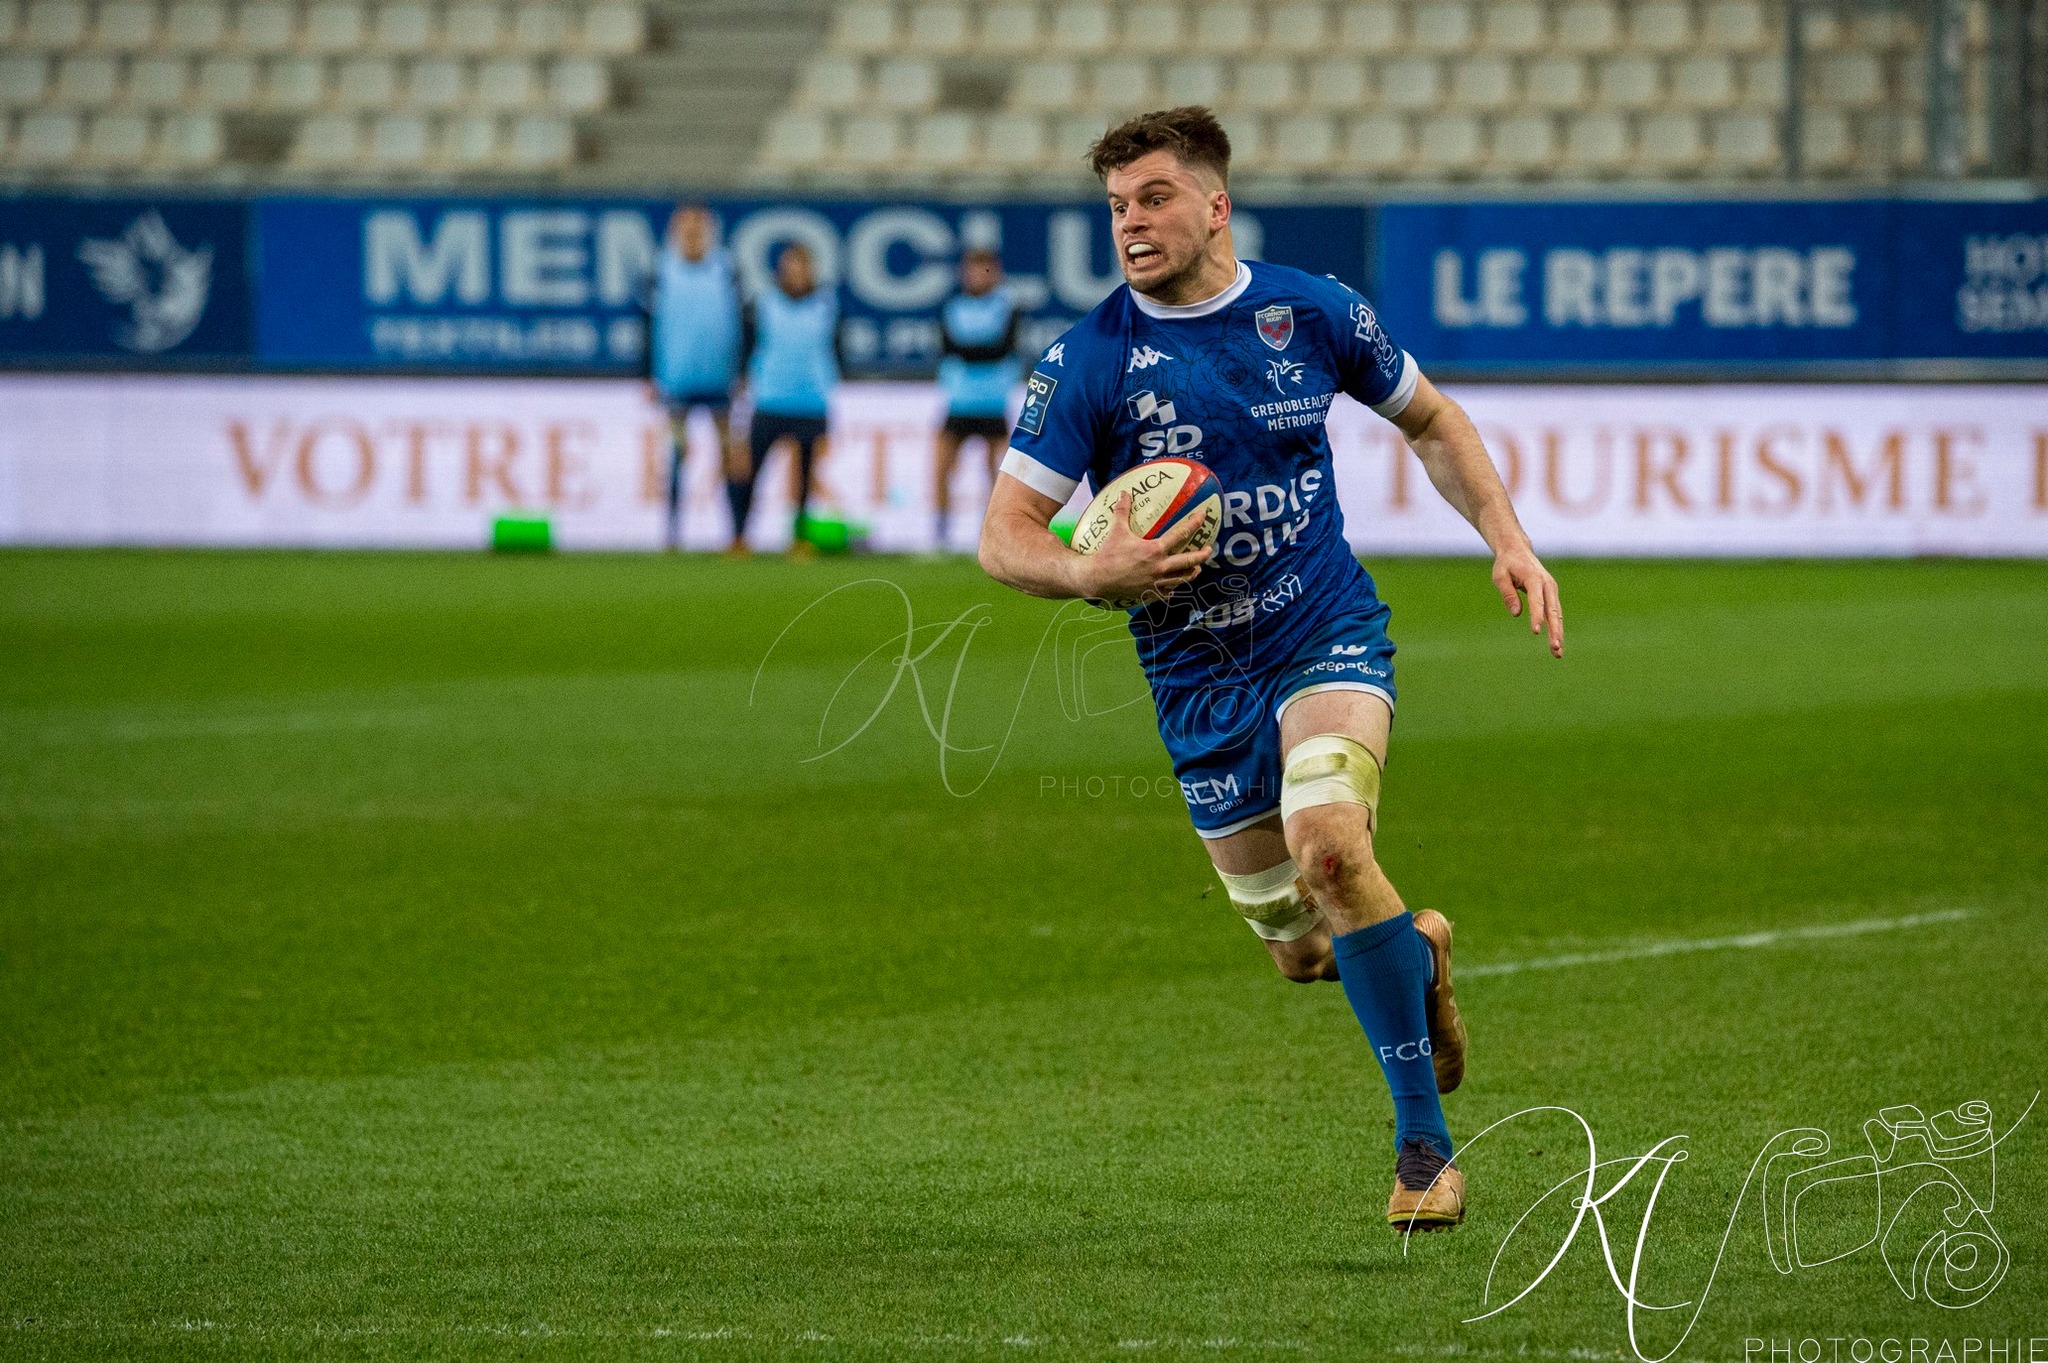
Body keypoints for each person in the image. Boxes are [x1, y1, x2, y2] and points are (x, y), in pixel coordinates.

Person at [977, 107, 1564, 1234]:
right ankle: (1416, 954)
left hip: (1321, 630)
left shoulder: (1314, 311)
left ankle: (1423, 1154)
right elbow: (1003, 532)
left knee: (1332, 846)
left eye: (1151, 199)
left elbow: (1431, 419)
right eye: (1114, 208)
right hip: (1193, 678)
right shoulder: (1088, 362)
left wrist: (1506, 535)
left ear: (1213, 204)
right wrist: (1085, 571)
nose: (1130, 224)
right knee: (1303, 951)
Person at [645, 204, 742, 552]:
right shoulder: (662, 271)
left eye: (697, 229)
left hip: (719, 378)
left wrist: (741, 371)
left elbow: (741, 323)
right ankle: (672, 534)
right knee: (677, 453)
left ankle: (736, 533)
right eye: (685, 230)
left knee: (729, 455)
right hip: (676, 379)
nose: (692, 236)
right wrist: (648, 375)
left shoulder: (727, 270)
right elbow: (648, 325)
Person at [733, 242, 839, 558]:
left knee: (806, 476)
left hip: (811, 402)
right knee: (752, 472)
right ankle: (740, 536)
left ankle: (799, 539)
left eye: (801, 267)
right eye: (790, 267)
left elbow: (836, 348)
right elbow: (748, 346)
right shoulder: (763, 304)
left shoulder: (826, 305)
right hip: (769, 399)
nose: (795, 274)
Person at [932, 248, 1022, 550]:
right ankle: (940, 534)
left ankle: (994, 534)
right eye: (971, 270)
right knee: (942, 467)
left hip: (993, 403)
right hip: (959, 401)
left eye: (983, 270)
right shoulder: (952, 307)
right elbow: (951, 348)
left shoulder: (1007, 307)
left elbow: (1001, 348)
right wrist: (980, 349)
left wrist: (969, 350)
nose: (976, 276)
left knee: (997, 474)